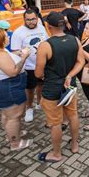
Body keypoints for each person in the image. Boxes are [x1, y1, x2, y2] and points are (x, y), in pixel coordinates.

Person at [35, 12, 85, 162]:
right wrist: (69, 76)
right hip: (69, 87)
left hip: (52, 89)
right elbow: (80, 62)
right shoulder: (75, 40)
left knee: (55, 123)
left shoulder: (45, 45)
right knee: (73, 115)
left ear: (49, 27)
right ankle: (74, 145)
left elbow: (38, 74)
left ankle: (56, 154)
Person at [0, 28, 32, 150]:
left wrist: (17, 53)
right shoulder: (0, 54)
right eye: (6, 36)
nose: (8, 37)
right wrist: (24, 57)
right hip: (8, 87)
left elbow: (5, 59)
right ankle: (15, 143)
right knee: (14, 116)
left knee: (6, 114)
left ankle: (11, 135)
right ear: (0, 40)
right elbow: (13, 72)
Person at [11, 9, 49, 122]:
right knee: (30, 89)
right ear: (24, 19)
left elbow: (47, 42)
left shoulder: (42, 28)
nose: (31, 22)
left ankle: (39, 103)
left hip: (42, 64)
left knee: (41, 85)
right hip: (28, 67)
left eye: (33, 19)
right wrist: (23, 53)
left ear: (37, 18)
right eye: (28, 20)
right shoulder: (18, 32)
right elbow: (14, 52)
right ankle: (29, 108)